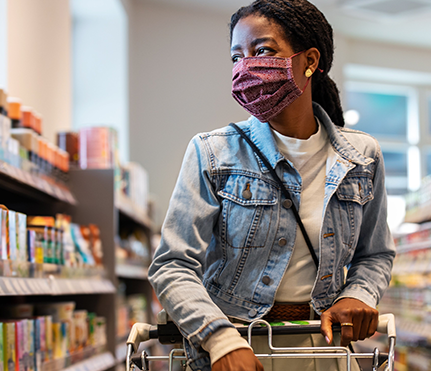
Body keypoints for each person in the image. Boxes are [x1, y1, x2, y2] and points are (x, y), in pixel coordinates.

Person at [148, 0, 395, 370]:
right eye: (236, 57)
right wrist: (220, 340)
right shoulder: (213, 152)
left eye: (262, 50)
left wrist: (357, 295)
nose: (245, 67)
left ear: (310, 61)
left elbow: (375, 254)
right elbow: (172, 265)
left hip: (323, 349)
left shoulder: (362, 156)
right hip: (235, 348)